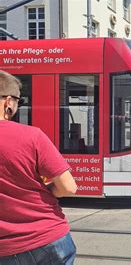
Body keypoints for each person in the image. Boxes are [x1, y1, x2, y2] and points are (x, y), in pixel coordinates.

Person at [0, 71, 78, 264]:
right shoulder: (32, 136)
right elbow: (68, 187)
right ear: (8, 102)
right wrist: (48, 189)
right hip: (48, 239)